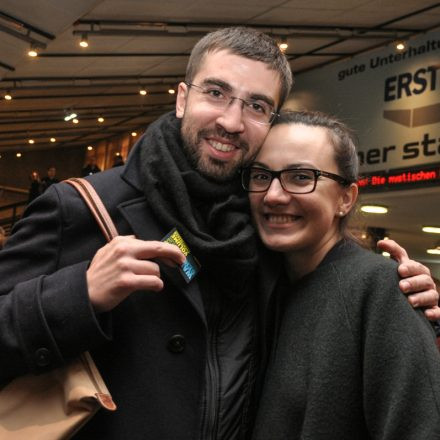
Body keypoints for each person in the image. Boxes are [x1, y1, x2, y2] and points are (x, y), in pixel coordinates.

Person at [0, 28, 437, 440]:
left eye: (257, 106)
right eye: (216, 93)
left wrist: (406, 301)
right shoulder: (82, 205)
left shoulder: (257, 223)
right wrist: (79, 294)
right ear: (183, 98)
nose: (232, 121)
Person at [244, 110, 440, 439]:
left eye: (301, 177)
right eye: (262, 176)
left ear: (345, 199)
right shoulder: (266, 288)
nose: (274, 195)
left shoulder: (378, 287)